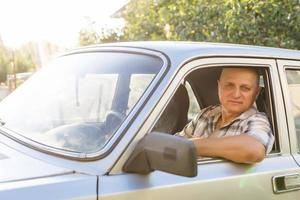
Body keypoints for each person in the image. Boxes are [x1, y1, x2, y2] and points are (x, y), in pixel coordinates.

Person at [177, 68, 274, 164]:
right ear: (219, 86)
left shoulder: (257, 120)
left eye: (245, 88)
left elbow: (254, 150)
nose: (236, 94)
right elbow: (175, 143)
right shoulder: (205, 114)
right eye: (229, 86)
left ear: (256, 93)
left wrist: (190, 145)